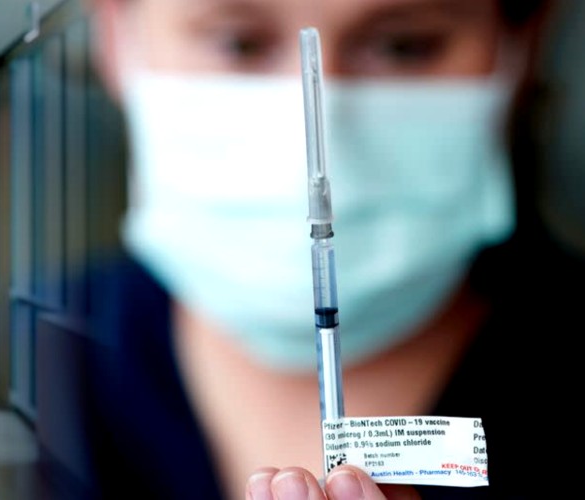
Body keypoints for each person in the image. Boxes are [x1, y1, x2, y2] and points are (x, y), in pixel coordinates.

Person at [79, 0, 578, 498]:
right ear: (116, 35)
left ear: (523, 42)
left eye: (403, 47)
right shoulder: (45, 373)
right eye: (239, 44)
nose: (319, 124)